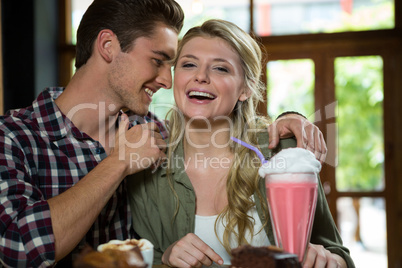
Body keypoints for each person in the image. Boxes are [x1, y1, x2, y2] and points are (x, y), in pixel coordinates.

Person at [0, 1, 325, 267]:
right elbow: (19, 249)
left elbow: (216, 129)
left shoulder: (152, 132)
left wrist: (289, 120)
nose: (168, 81)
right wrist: (118, 164)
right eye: (158, 61)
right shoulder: (13, 137)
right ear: (108, 46)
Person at [127, 19, 354, 268]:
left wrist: (327, 260)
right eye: (189, 64)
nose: (200, 76)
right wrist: (166, 258)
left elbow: (337, 253)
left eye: (220, 69)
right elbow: (144, 258)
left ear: (245, 89)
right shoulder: (148, 167)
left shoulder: (285, 155)